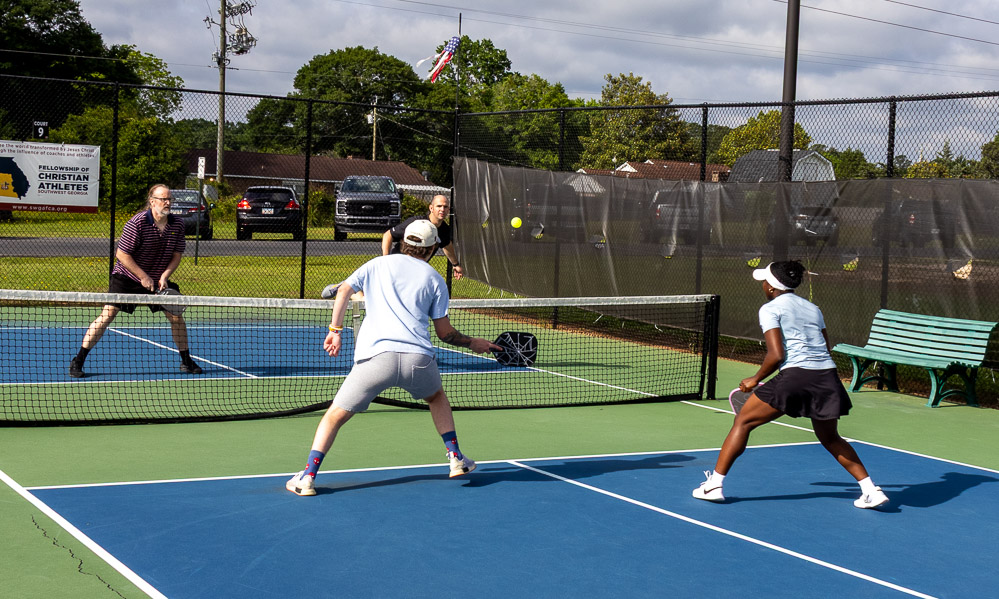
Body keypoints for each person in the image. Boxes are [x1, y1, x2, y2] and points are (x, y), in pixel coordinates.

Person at [287, 220, 500, 496]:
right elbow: (445, 333)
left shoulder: (376, 264)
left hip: (376, 360)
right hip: (418, 360)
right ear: (432, 248)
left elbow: (343, 290)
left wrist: (335, 331)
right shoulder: (435, 279)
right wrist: (473, 343)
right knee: (436, 398)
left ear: (403, 243)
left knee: (334, 416)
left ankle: (307, 477)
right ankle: (456, 457)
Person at [693, 261, 889, 510]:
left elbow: (776, 354)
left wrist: (755, 378)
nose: (763, 286)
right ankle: (870, 490)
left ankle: (713, 486)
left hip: (796, 376)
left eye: (765, 281)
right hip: (827, 377)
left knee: (743, 421)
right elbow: (825, 347)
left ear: (771, 287)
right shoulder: (814, 309)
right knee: (830, 437)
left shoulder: (770, 309)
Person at [69, 184, 202, 378]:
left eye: (169, 199)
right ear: (152, 201)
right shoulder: (137, 223)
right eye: (163, 199)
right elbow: (122, 254)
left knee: (176, 316)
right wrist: (142, 276)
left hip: (157, 280)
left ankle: (186, 361)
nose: (167, 203)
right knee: (108, 314)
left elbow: (177, 255)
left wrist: (164, 276)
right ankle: (78, 360)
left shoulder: (177, 224)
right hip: (127, 277)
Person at [382, 194, 463, 280]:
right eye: (439, 206)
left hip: (416, 272)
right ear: (431, 208)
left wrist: (455, 264)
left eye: (445, 207)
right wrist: (385, 259)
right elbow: (388, 234)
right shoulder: (416, 223)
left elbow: (446, 245)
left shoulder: (444, 229)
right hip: (397, 267)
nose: (442, 209)